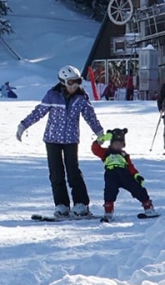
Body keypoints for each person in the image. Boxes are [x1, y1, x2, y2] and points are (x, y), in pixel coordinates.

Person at [16, 65, 106, 219]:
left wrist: (99, 132)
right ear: (63, 82)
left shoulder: (81, 97)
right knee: (56, 173)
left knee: (73, 172)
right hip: (52, 140)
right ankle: (62, 205)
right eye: (71, 82)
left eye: (78, 81)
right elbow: (39, 112)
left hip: (71, 140)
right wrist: (23, 125)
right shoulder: (52, 95)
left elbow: (90, 116)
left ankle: (81, 204)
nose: (75, 86)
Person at [91, 128, 158, 221]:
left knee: (136, 188)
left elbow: (130, 166)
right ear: (111, 144)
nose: (118, 146)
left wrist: (137, 176)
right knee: (109, 192)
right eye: (116, 144)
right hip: (111, 174)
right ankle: (108, 212)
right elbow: (95, 149)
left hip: (124, 174)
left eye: (120, 144)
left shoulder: (124, 155)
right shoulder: (105, 152)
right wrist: (102, 139)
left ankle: (148, 207)